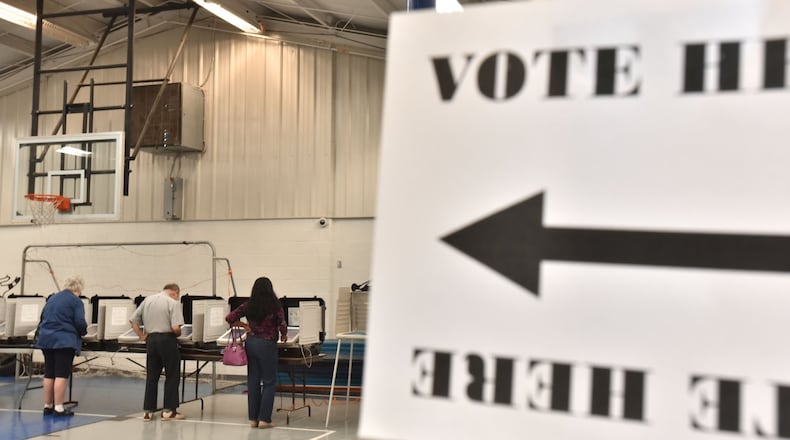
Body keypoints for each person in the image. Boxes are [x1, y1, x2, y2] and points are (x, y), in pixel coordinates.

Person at [225, 277, 287, 429]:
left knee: (253, 381)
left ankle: (253, 419)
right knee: (269, 382)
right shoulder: (275, 306)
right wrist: (284, 335)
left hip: (251, 343)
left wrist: (245, 325)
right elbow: (282, 324)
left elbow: (230, 318)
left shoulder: (248, 305)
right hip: (267, 344)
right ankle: (264, 419)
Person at [129, 283, 185, 421]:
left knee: (152, 377)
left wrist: (142, 337)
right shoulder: (173, 302)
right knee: (172, 375)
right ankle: (168, 411)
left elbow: (133, 320)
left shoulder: (148, 300)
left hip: (151, 341)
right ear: (175, 293)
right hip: (167, 340)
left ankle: (148, 411)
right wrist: (179, 333)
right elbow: (175, 328)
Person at [35, 275, 88, 417]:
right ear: (78, 289)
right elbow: (80, 322)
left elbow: (42, 318)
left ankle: (48, 406)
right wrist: (83, 333)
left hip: (46, 339)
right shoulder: (76, 301)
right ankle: (59, 408)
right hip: (64, 341)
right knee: (61, 374)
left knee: (49, 373)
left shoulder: (52, 298)